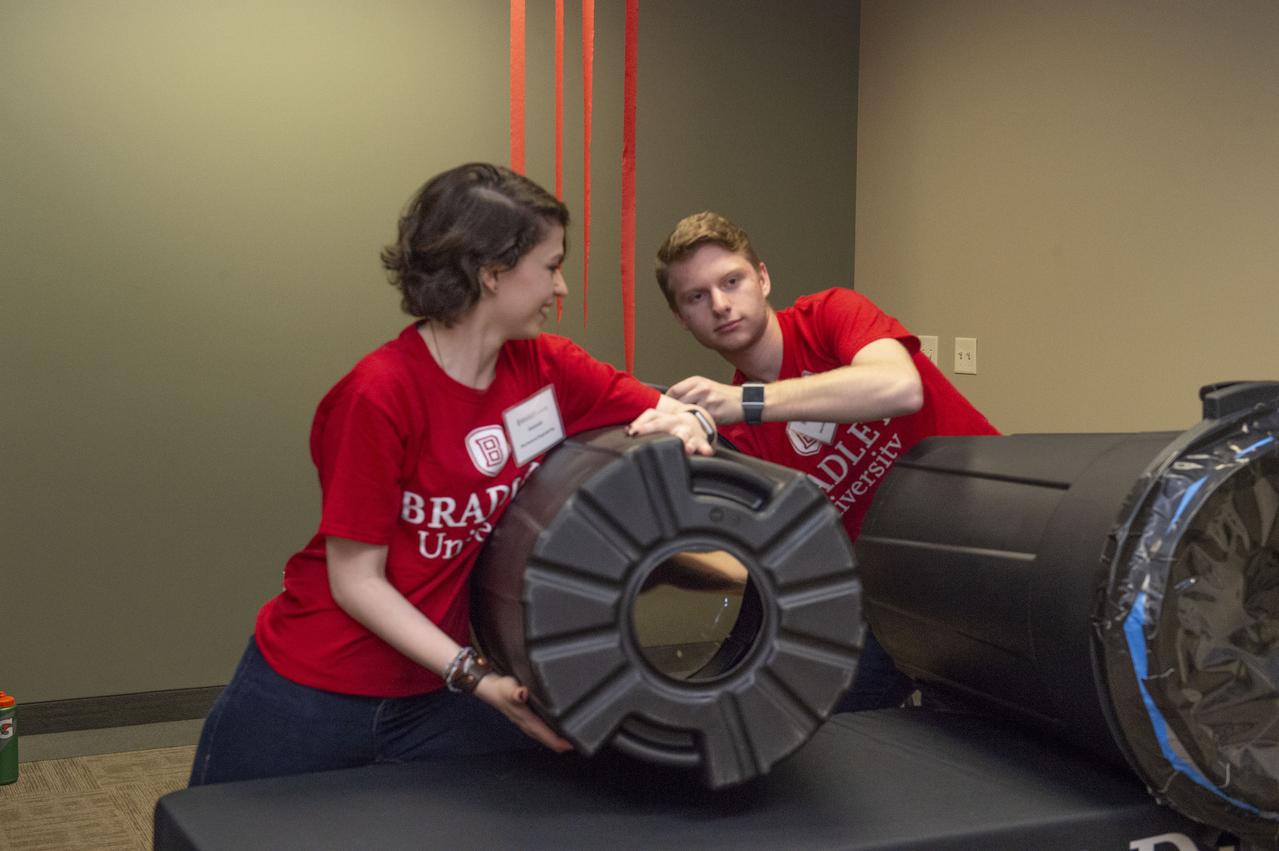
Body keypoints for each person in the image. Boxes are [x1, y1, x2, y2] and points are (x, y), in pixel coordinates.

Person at [189, 164, 717, 786]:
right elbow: (356, 581)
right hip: (315, 687)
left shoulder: (547, 369)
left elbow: (661, 407)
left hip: (435, 692)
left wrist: (691, 427)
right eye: (550, 267)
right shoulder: (378, 396)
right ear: (491, 273)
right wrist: (474, 676)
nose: (563, 287)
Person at [654, 211, 999, 713]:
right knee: (828, 726)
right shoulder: (733, 431)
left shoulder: (832, 314)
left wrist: (752, 401)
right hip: (891, 593)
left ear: (764, 278)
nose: (722, 305)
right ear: (682, 318)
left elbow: (898, 387)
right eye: (697, 297)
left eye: (732, 281)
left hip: (987, 534)